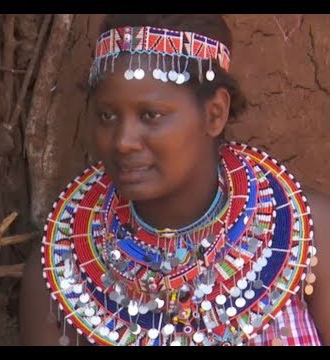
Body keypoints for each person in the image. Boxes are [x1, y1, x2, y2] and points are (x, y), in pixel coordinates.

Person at [19, 14, 330, 346]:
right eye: (107, 116)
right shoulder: (62, 271)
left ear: (214, 114)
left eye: (151, 115)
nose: (123, 140)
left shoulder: (307, 233)